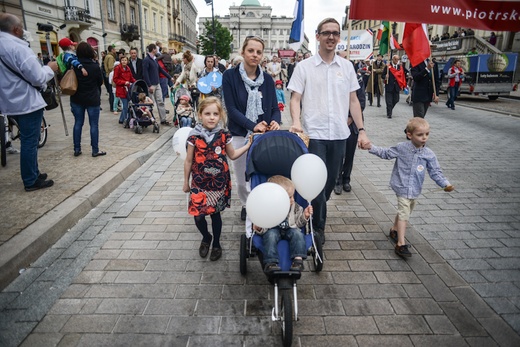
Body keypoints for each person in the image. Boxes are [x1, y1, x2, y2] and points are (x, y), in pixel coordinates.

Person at [288, 18, 369, 244]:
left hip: (340, 135)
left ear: (339, 37)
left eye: (335, 33)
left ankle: (312, 213)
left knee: (331, 182)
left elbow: (353, 100)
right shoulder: (304, 67)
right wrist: (296, 121)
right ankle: (318, 227)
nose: (331, 37)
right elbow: (295, 98)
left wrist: (361, 130)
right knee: (316, 182)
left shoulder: (347, 67)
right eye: (326, 33)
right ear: (318, 36)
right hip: (314, 135)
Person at [363, 118, 454, 257]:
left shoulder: (429, 154)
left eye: (427, 134)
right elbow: (386, 153)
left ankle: (394, 229)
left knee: (405, 211)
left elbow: (436, 172)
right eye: (420, 135)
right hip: (401, 187)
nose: (424, 138)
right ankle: (400, 243)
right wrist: (371, 147)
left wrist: (445, 184)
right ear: (410, 135)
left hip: (415, 189)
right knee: (404, 214)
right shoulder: (402, 147)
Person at [183, 97, 252, 261]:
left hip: (218, 182)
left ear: (220, 116)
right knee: (198, 215)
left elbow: (233, 155)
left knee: (215, 215)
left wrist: (248, 145)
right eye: (207, 113)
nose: (211, 117)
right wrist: (185, 181)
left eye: (215, 114)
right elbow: (188, 160)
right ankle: (206, 237)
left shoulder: (224, 135)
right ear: (200, 115)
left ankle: (216, 244)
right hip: (199, 182)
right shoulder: (193, 136)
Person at [222, 36, 281, 224]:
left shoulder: (268, 80)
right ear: (243, 52)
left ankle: (260, 203)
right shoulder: (230, 76)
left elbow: (273, 109)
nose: (255, 55)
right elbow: (231, 109)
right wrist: (251, 125)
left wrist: (275, 122)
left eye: (258, 52)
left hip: (263, 136)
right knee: (241, 177)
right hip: (240, 133)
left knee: (262, 172)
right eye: (251, 51)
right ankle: (247, 205)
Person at [0, 13, 58, 191]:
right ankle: (31, 179)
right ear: (16, 29)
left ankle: (33, 172)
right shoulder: (18, 47)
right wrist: (49, 69)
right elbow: (38, 77)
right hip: (26, 101)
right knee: (29, 142)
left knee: (27, 141)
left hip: (9, 101)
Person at [253, 175, 312, 273]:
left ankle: (298, 260)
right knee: (270, 236)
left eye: (293, 196)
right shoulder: (268, 209)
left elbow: (299, 224)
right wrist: (259, 228)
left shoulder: (295, 207)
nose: (292, 199)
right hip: (273, 229)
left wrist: (304, 216)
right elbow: (264, 226)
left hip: (290, 229)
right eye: (289, 197)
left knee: (298, 234)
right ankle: (270, 262)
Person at [334, 51, 366, 195]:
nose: (344, 60)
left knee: (349, 154)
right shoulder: (332, 77)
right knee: (338, 155)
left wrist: (350, 118)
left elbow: (360, 101)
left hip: (351, 124)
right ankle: (337, 181)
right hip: (336, 124)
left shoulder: (357, 78)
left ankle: (346, 179)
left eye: (346, 57)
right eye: (341, 57)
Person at [68, 42, 105, 158]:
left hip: (77, 98)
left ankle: (77, 148)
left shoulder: (74, 65)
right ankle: (95, 150)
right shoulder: (95, 66)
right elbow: (100, 82)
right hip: (92, 98)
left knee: (78, 123)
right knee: (94, 125)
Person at [142, 43, 175, 125]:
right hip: (151, 85)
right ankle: (150, 118)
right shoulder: (146, 60)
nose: (158, 50)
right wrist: (149, 85)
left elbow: (160, 70)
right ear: (153, 49)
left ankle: (163, 119)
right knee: (150, 103)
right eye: (156, 49)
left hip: (157, 84)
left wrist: (169, 77)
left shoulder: (154, 59)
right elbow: (145, 74)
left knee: (160, 102)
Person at [382, 54, 408, 119]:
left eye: (398, 59)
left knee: (396, 100)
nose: (397, 61)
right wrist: (385, 77)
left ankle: (389, 109)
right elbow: (382, 75)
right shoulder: (388, 67)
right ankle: (389, 113)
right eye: (395, 59)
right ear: (392, 59)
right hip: (389, 86)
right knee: (389, 101)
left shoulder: (400, 67)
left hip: (396, 87)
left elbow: (405, 74)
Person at [113, 56, 135, 124]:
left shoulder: (128, 68)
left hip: (127, 89)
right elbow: (115, 79)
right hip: (121, 89)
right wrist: (124, 82)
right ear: (120, 61)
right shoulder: (118, 68)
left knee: (127, 105)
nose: (124, 61)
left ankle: (122, 119)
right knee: (125, 105)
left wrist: (136, 82)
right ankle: (124, 119)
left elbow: (131, 78)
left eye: (125, 60)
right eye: (122, 60)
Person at [104, 45, 117, 112]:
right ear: (112, 50)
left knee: (110, 92)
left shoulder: (107, 56)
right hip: (111, 76)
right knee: (112, 93)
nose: (115, 51)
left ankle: (112, 106)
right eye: (114, 49)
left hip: (107, 75)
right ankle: (112, 107)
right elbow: (111, 67)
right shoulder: (111, 57)